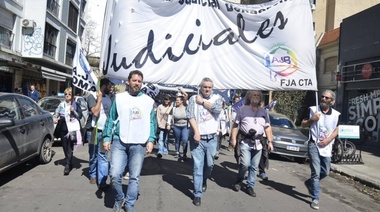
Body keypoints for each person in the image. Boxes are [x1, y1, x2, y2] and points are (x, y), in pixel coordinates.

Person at [102, 70, 156, 212]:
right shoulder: (119, 98)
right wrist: (106, 137)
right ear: (128, 81)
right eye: (134, 80)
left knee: (134, 177)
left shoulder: (148, 102)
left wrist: (151, 140)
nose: (137, 83)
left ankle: (130, 203)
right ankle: (119, 198)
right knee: (114, 174)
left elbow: (152, 122)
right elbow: (111, 118)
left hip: (139, 143)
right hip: (120, 141)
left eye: (139, 81)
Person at [186, 77, 223, 206]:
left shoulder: (217, 98)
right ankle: (197, 194)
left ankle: (204, 180)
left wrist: (202, 103)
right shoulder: (193, 99)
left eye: (209, 87)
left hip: (212, 138)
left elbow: (217, 110)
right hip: (198, 138)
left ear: (212, 88)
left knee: (210, 164)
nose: (207, 89)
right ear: (200, 87)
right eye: (205, 87)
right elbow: (190, 115)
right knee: (197, 166)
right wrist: (196, 132)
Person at [301, 90, 340, 210]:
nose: (323, 99)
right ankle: (315, 198)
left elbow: (338, 129)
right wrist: (312, 119)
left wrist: (328, 140)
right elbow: (303, 124)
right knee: (316, 172)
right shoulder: (313, 110)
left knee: (326, 171)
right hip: (314, 144)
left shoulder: (336, 114)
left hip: (327, 146)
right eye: (322, 97)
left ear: (331, 101)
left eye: (326, 98)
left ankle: (309, 183)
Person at [231, 90, 273, 197]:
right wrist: (233, 139)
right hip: (245, 141)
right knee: (245, 164)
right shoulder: (242, 110)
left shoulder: (264, 112)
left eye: (258, 95)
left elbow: (267, 127)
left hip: (258, 143)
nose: (256, 96)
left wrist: (270, 141)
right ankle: (239, 180)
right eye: (254, 94)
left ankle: (250, 186)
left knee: (254, 167)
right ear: (249, 97)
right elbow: (235, 126)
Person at [86, 78, 114, 188]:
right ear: (104, 86)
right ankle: (92, 174)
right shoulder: (91, 96)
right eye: (109, 86)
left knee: (103, 156)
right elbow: (96, 112)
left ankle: (102, 181)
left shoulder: (109, 98)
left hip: (105, 132)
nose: (110, 88)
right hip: (94, 131)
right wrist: (99, 99)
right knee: (93, 155)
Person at [54, 87, 83, 175]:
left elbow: (80, 116)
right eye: (66, 94)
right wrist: (55, 118)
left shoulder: (75, 104)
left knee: (70, 145)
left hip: (72, 127)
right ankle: (69, 160)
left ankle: (67, 164)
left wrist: (73, 111)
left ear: (72, 95)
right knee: (64, 145)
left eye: (69, 94)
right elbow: (56, 113)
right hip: (63, 126)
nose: (67, 96)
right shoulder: (61, 104)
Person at [171, 95, 189, 160]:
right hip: (176, 126)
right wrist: (170, 124)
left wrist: (182, 90)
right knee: (177, 140)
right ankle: (177, 152)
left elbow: (186, 97)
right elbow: (171, 117)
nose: (177, 101)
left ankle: (184, 153)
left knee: (185, 139)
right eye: (176, 100)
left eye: (178, 100)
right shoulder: (174, 108)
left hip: (185, 126)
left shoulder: (186, 107)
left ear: (182, 101)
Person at [156, 94, 173, 158]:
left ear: (169, 100)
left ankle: (165, 149)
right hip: (161, 124)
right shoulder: (160, 106)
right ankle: (160, 150)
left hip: (167, 125)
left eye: (167, 99)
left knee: (166, 139)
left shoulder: (171, 107)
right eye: (165, 99)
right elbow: (158, 116)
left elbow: (171, 116)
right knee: (161, 138)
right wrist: (158, 123)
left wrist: (170, 124)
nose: (166, 101)